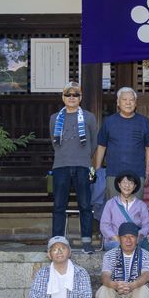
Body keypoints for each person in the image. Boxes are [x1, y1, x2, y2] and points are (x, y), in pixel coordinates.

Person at [49, 82, 98, 254]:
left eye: (75, 94)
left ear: (80, 97)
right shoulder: (55, 118)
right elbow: (54, 142)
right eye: (68, 94)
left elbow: (94, 142)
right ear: (63, 97)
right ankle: (57, 241)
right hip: (61, 165)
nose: (72, 97)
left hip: (83, 165)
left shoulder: (89, 117)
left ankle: (86, 241)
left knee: (85, 204)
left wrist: (84, 156)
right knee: (58, 205)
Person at [93, 87, 149, 200]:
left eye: (131, 100)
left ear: (135, 103)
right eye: (124, 99)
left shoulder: (143, 121)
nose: (128, 103)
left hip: (137, 172)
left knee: (135, 208)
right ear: (118, 102)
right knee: (114, 207)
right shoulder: (109, 121)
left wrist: (148, 170)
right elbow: (101, 146)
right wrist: (98, 169)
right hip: (113, 172)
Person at [99, 173, 149, 252]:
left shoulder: (141, 205)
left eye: (131, 183)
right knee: (119, 246)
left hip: (135, 240)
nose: (127, 185)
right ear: (119, 185)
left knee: (133, 246)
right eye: (124, 182)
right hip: (114, 241)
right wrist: (115, 237)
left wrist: (138, 236)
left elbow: (147, 225)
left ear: (135, 186)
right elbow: (104, 226)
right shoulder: (110, 203)